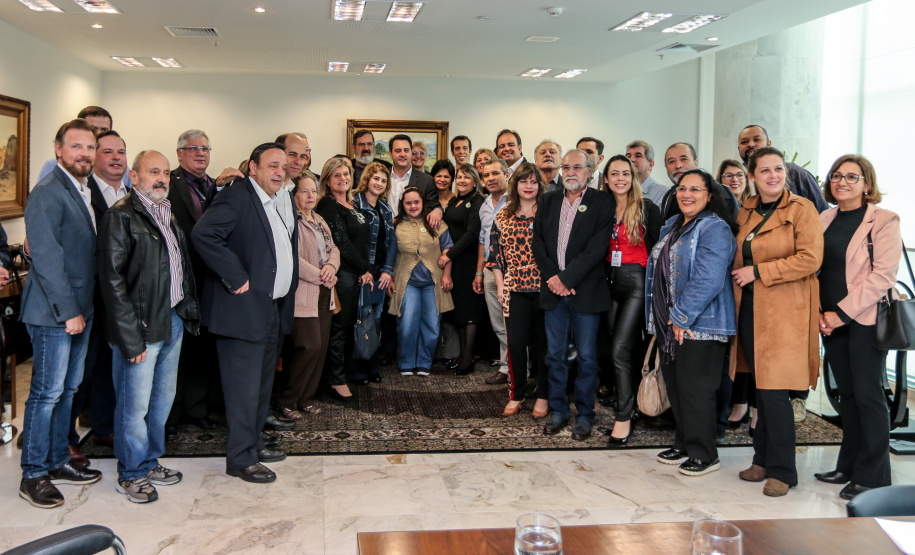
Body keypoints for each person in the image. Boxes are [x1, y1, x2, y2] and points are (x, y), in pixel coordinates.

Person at [192, 142, 298, 484]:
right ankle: (240, 459)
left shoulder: (273, 202)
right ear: (253, 167)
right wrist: (236, 278)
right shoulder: (237, 195)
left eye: (283, 166)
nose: (279, 172)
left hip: (269, 309)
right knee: (243, 390)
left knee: (261, 388)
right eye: (272, 166)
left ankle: (251, 446)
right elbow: (204, 234)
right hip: (241, 312)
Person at [97, 150, 199, 503]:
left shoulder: (165, 211)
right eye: (153, 172)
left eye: (166, 173)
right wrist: (130, 338)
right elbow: (112, 282)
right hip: (139, 327)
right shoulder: (121, 215)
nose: (162, 178)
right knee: (133, 405)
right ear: (134, 176)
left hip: (171, 318)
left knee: (161, 399)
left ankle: (150, 460)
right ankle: (131, 473)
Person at [20, 119, 103, 508]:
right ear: (58, 149)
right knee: (46, 393)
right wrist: (69, 312)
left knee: (68, 391)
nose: (85, 154)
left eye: (90, 147)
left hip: (78, 310)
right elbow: (48, 259)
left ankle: (56, 460)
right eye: (76, 147)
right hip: (55, 313)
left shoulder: (80, 189)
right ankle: (33, 473)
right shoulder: (48, 191)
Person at [732, 146, 823, 497]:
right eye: (765, 171)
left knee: (775, 390)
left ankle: (784, 470)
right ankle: (762, 460)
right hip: (752, 309)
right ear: (752, 176)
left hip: (786, 311)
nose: (773, 176)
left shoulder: (802, 209)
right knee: (760, 387)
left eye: (778, 170)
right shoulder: (747, 210)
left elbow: (810, 259)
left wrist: (759, 271)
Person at [816, 154, 901, 500]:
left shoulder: (883, 220)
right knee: (846, 396)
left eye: (853, 177)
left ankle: (874, 476)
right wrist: (823, 314)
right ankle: (847, 465)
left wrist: (842, 313)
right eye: (837, 176)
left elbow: (883, 276)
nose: (843, 182)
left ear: (867, 184)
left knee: (868, 396)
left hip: (863, 318)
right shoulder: (824, 218)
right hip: (830, 320)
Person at [647, 169, 737, 476]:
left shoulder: (714, 228)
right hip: (670, 323)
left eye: (695, 189)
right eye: (682, 188)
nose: (687, 194)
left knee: (697, 389)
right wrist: (665, 319)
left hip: (700, 323)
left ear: (709, 195)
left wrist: (681, 317)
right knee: (677, 386)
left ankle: (704, 453)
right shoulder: (672, 224)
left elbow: (709, 279)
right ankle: (684, 443)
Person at [166, 129, 243, 440]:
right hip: (177, 278)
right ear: (179, 152)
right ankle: (169, 416)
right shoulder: (167, 182)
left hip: (208, 279)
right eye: (193, 148)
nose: (200, 153)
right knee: (175, 352)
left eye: (205, 149)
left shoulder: (216, 186)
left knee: (201, 349)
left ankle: (196, 410)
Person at [533, 149, 612, 441]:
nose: (571, 172)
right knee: (555, 355)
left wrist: (566, 279)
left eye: (577, 167)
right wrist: (555, 279)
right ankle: (558, 410)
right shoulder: (548, 199)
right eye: (566, 167)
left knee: (588, 357)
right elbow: (538, 241)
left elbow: (596, 248)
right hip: (554, 292)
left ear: (590, 170)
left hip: (585, 292)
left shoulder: (602, 202)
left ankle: (585, 414)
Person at [67, 130, 130, 465]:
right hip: (87, 296)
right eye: (108, 151)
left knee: (108, 366)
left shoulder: (132, 192)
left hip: (117, 299)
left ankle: (105, 425)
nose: (116, 157)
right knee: (81, 371)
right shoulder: (82, 191)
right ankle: (66, 438)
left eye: (121, 151)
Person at [601, 155, 662, 445]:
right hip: (610, 283)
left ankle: (623, 417)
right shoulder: (602, 208)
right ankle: (636, 404)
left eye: (626, 173)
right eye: (615, 174)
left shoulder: (647, 208)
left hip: (637, 282)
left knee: (619, 350)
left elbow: (661, 252)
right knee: (626, 349)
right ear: (606, 178)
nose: (621, 178)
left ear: (633, 177)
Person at [276, 171, 339, 419]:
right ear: (294, 196)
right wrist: (322, 275)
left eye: (314, 190)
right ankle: (286, 400)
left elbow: (333, 248)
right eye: (304, 191)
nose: (311, 195)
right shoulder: (292, 222)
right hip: (305, 295)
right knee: (307, 346)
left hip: (326, 294)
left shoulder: (320, 220)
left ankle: (305, 398)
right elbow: (295, 261)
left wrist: (332, 267)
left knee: (320, 347)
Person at [487, 163, 549, 417]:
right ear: (516, 184)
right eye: (524, 181)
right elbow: (495, 255)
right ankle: (517, 394)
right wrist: (501, 287)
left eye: (534, 182)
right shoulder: (502, 215)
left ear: (540, 186)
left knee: (543, 345)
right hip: (514, 289)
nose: (528, 186)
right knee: (515, 344)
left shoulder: (548, 213)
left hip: (545, 289)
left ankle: (543, 395)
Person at [315, 157, 372, 401]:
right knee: (338, 330)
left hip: (354, 275)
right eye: (337, 175)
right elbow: (340, 242)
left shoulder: (351, 204)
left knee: (348, 328)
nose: (343, 179)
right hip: (342, 275)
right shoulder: (328, 205)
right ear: (327, 180)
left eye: (346, 174)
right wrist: (364, 269)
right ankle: (335, 380)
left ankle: (342, 374)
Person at [389, 187, 454, 376]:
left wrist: (447, 275)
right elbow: (390, 255)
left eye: (416, 202)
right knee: (407, 323)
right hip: (407, 283)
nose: (413, 206)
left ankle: (425, 361)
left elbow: (448, 250)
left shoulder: (436, 222)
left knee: (432, 324)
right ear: (402, 205)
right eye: (408, 203)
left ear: (423, 203)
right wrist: (390, 277)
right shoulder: (395, 225)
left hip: (432, 283)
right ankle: (406, 361)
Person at [716, 158, 755, 432]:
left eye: (739, 175)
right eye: (727, 175)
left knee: (756, 350)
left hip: (757, 285)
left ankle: (756, 407)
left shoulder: (755, 208)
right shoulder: (722, 211)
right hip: (730, 285)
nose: (734, 180)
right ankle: (739, 402)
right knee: (736, 348)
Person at [351, 161, 397, 385]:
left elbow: (391, 242)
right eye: (376, 178)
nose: (379, 183)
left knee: (376, 321)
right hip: (361, 272)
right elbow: (353, 241)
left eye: (383, 180)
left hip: (380, 273)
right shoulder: (354, 204)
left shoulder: (386, 208)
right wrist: (363, 270)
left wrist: (388, 271)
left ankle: (372, 366)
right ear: (367, 179)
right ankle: (358, 369)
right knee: (360, 319)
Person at [442, 164, 485, 375]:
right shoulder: (454, 200)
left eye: (467, 177)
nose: (462, 181)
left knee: (469, 312)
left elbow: (471, 234)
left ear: (475, 181)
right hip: (455, 264)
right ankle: (461, 354)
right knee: (458, 310)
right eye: (459, 177)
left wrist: (449, 254)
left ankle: (468, 358)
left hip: (468, 261)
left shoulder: (478, 201)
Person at [737, 125, 828, 213]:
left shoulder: (795, 173)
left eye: (757, 140)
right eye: (744, 142)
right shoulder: (735, 179)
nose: (751, 144)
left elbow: (821, 210)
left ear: (769, 144)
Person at [475, 159, 510, 384]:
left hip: (512, 271)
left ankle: (522, 369)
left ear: (507, 175)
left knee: (514, 322)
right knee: (498, 323)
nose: (491, 178)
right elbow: (482, 241)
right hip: (489, 269)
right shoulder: (484, 204)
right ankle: (507, 368)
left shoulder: (517, 200)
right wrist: (479, 272)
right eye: (486, 175)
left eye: (496, 173)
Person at [386, 134, 442, 228]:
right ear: (390, 154)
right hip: (385, 234)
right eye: (398, 151)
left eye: (406, 150)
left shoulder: (426, 180)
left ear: (411, 153)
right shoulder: (381, 177)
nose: (403, 154)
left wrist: (438, 211)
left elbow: (434, 206)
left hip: (414, 235)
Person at [626, 140, 669, 207]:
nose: (632, 160)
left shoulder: (664, 192)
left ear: (651, 164)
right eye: (628, 156)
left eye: (638, 156)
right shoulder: (620, 189)